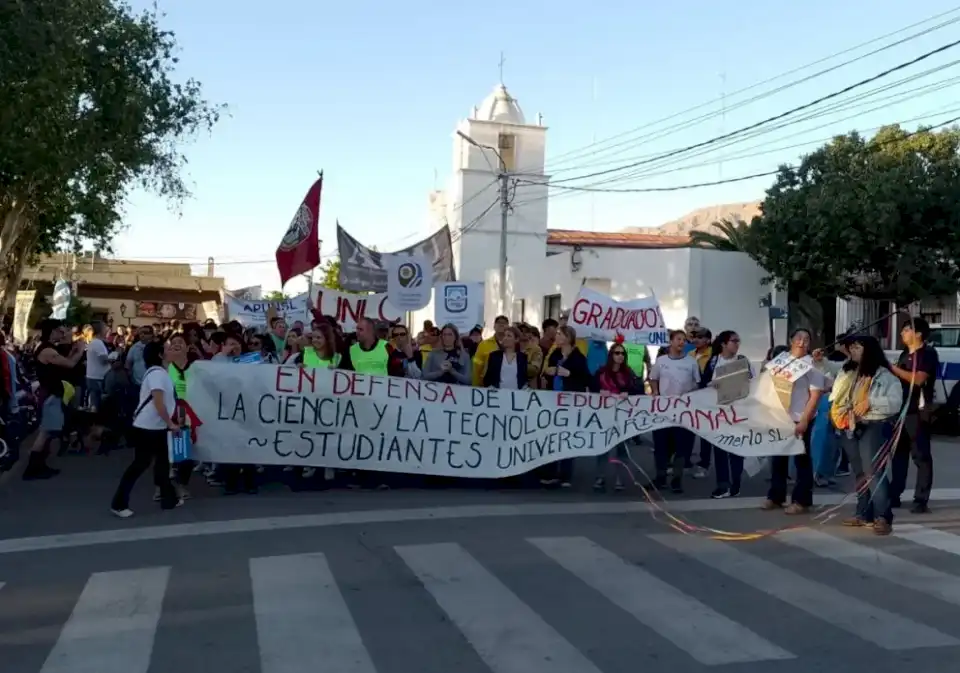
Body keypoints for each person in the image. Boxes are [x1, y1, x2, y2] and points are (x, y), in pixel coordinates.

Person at [830, 335, 903, 535]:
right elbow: (830, 383)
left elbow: (895, 403)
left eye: (857, 348)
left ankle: (883, 516)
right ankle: (863, 513)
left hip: (875, 424)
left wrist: (871, 403)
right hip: (851, 425)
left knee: (873, 472)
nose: (852, 351)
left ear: (869, 350)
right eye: (851, 348)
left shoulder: (884, 376)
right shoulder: (848, 373)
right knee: (859, 472)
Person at [110, 340, 181, 517]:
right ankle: (119, 503)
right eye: (168, 349)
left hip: (154, 425)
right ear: (160, 355)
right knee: (140, 464)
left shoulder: (158, 373)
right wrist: (170, 423)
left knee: (162, 462)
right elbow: (158, 401)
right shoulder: (158, 374)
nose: (172, 351)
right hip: (149, 427)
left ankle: (168, 498)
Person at [762, 328, 825, 515]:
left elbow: (815, 396)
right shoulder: (780, 362)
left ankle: (802, 499)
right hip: (780, 417)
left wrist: (805, 420)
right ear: (791, 340)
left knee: (802, 459)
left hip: (801, 417)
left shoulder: (812, 365)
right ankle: (776, 496)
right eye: (799, 337)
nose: (802, 341)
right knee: (778, 458)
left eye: (807, 338)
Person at [889, 316, 939, 513]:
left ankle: (921, 499)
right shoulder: (903, 354)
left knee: (921, 456)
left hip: (917, 412)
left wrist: (893, 368)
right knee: (898, 455)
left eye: (907, 329)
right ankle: (895, 494)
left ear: (918, 333)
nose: (903, 333)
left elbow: (917, 380)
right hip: (899, 410)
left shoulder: (927, 354)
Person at [25, 319, 86, 480]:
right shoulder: (47, 350)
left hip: (53, 393)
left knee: (50, 431)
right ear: (51, 331)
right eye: (59, 330)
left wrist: (73, 350)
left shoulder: (49, 348)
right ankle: (32, 468)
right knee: (46, 432)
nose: (63, 333)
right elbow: (69, 364)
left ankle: (40, 465)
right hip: (50, 395)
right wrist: (79, 350)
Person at [648, 329, 701, 493]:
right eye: (678, 339)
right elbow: (653, 378)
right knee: (661, 446)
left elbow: (697, 383)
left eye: (683, 340)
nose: (681, 342)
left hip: (683, 411)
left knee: (681, 446)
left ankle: (677, 480)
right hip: (664, 410)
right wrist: (655, 392)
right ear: (671, 341)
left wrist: (690, 396)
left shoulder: (691, 362)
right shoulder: (662, 361)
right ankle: (660, 477)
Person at [541, 325, 591, 487]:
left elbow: (585, 378)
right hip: (553, 398)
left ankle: (566, 474)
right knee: (552, 436)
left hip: (570, 400)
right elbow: (547, 370)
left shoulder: (578, 357)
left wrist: (569, 374)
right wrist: (549, 372)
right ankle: (551, 472)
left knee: (567, 436)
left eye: (560, 334)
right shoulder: (555, 354)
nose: (557, 336)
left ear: (568, 338)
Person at [593, 338, 642, 491]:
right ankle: (600, 477)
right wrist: (599, 392)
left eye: (622, 353)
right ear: (611, 355)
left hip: (622, 416)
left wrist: (628, 393)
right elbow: (591, 387)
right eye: (617, 353)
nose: (620, 356)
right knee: (603, 448)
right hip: (604, 415)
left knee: (622, 448)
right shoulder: (601, 372)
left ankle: (621, 478)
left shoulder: (628, 373)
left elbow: (638, 389)